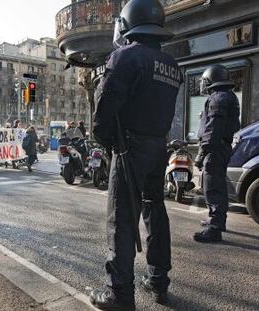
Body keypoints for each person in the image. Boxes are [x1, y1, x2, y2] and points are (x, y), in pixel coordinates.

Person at [89, 1, 182, 310]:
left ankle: (120, 294)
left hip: (129, 148)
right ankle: (158, 281)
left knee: (122, 219)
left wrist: (110, 143)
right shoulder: (171, 65)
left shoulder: (125, 57)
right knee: (155, 211)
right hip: (158, 146)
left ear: (128, 24)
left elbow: (102, 119)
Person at [193, 64, 240, 243]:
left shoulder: (218, 98)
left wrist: (202, 153)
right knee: (216, 185)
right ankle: (218, 221)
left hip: (215, 149)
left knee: (212, 187)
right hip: (221, 147)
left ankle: (214, 228)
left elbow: (212, 129)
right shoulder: (228, 96)